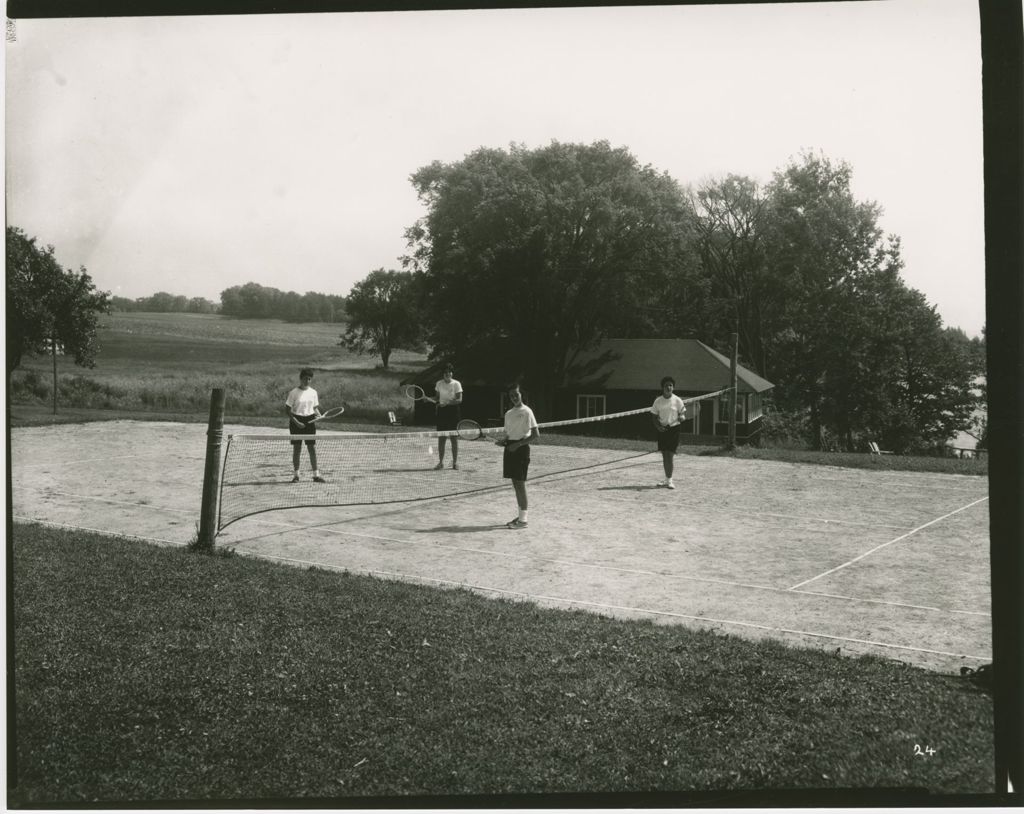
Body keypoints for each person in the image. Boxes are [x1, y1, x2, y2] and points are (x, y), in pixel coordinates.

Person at [499, 382, 539, 529]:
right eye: (511, 395)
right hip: (510, 449)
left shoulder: (527, 411)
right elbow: (509, 435)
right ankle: (521, 515)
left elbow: (535, 434)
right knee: (515, 484)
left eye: (516, 394)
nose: (514, 397)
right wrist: (504, 441)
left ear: (521, 394)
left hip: (521, 450)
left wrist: (518, 444)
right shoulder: (508, 414)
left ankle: (523, 521)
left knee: (520, 484)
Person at [285, 367, 326, 483]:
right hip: (296, 421)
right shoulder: (293, 393)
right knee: (297, 449)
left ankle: (316, 475)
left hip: (310, 421)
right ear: (300, 379)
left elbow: (315, 408)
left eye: (309, 379)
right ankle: (296, 475)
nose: (307, 381)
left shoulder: (313, 392)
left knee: (311, 448)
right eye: (305, 379)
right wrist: (296, 422)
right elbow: (287, 410)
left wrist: (319, 415)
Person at [650, 375, 686, 489]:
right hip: (662, 430)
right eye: (666, 385)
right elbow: (654, 417)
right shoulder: (658, 401)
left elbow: (682, 413)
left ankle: (670, 481)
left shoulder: (677, 400)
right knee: (664, 455)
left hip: (674, 430)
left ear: (673, 387)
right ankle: (666, 479)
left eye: (671, 385)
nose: (669, 387)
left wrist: (682, 417)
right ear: (662, 388)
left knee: (669, 455)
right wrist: (658, 427)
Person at [433, 363, 463, 470]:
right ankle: (440, 463)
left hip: (453, 412)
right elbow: (437, 398)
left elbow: (459, 400)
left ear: (452, 373)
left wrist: (447, 403)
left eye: (449, 372)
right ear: (443, 374)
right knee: (441, 438)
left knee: (453, 438)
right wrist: (429, 399)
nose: (447, 374)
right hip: (442, 413)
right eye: (445, 372)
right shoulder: (439, 384)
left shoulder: (456, 384)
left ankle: (455, 463)